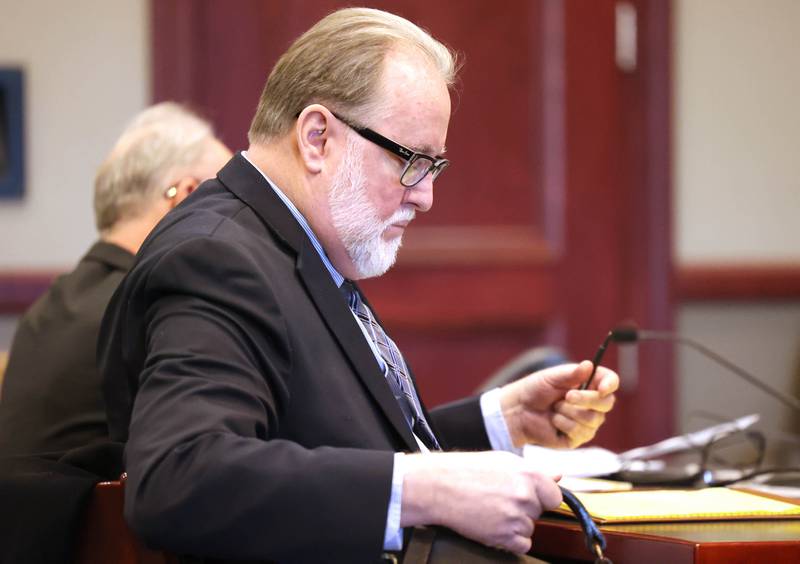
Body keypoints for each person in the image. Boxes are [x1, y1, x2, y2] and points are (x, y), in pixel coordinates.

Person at [99, 8, 619, 563]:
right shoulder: (217, 258)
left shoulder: (292, 240)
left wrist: (501, 422)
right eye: (413, 161)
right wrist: (429, 488)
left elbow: (325, 441)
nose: (425, 196)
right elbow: (179, 476)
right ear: (318, 137)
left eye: (434, 168)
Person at [0, 103, 231, 457]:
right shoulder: (156, 308)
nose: (238, 225)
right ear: (186, 195)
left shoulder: (49, 307)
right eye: (228, 201)